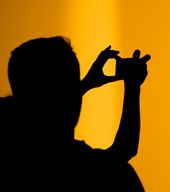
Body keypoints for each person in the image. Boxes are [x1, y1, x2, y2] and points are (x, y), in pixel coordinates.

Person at [0, 36, 150, 191]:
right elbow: (123, 151)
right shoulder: (97, 171)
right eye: (71, 83)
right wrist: (132, 86)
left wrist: (86, 84)